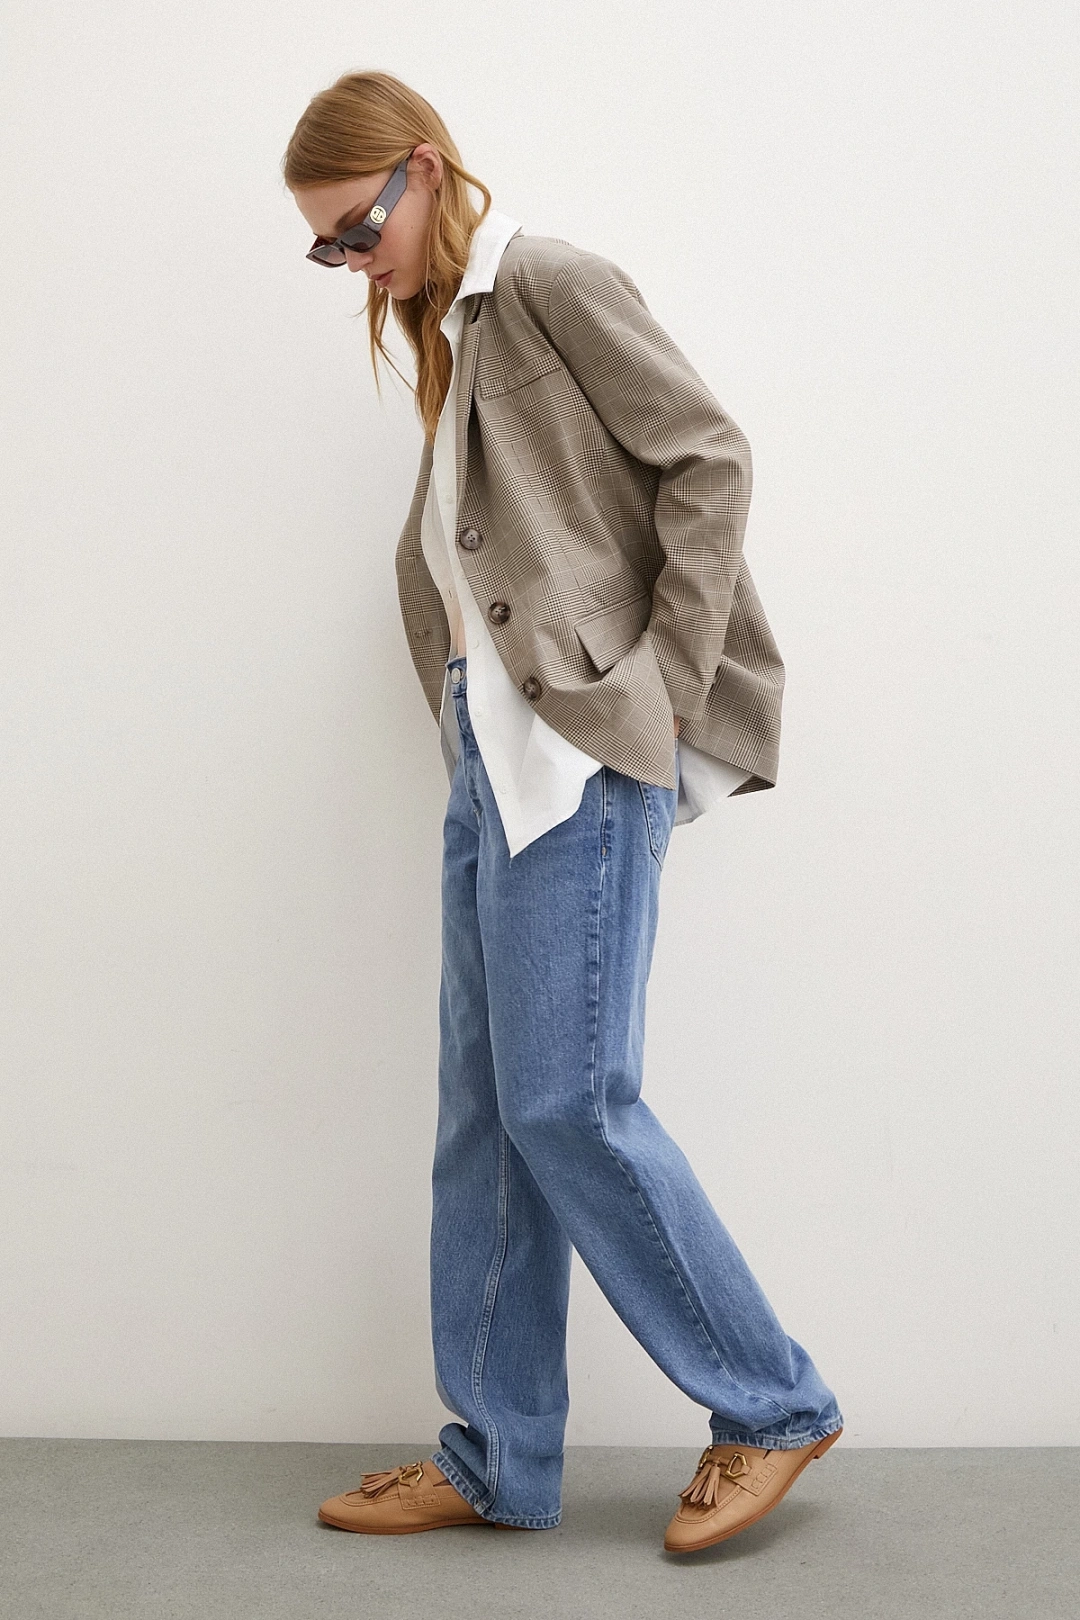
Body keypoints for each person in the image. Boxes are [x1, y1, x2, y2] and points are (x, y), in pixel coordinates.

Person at [282, 69, 843, 1554]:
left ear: (422, 168)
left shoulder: (545, 282)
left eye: (358, 229)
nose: (352, 263)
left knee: (567, 1105)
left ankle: (774, 1404)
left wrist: (659, 689)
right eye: (327, 249)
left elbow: (709, 458)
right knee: (486, 1119)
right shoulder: (458, 332)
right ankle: (499, 1457)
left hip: (582, 756)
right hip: (494, 761)